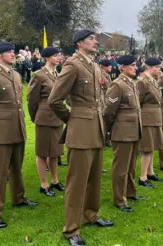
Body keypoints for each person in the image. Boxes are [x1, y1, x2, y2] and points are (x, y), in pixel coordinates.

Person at [47, 30, 113, 246]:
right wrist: (73, 119)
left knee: (95, 177)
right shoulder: (72, 65)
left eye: (94, 39)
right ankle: (71, 229)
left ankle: (91, 214)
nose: (96, 42)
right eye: (92, 39)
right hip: (81, 130)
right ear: (79, 43)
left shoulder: (93, 65)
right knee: (77, 181)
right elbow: (55, 100)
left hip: (96, 128)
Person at [0, 42, 38, 229]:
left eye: (13, 51)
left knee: (16, 168)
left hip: (17, 128)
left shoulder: (16, 74)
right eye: (8, 52)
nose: (13, 54)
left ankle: (18, 197)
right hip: (0, 132)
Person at [103, 55, 143, 213]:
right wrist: (110, 129)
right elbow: (108, 111)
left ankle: (130, 192)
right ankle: (119, 199)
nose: (135, 67)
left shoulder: (131, 83)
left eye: (135, 65)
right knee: (121, 167)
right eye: (132, 65)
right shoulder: (117, 85)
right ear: (123, 68)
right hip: (122, 132)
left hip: (134, 131)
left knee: (132, 165)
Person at [27, 47, 65, 198]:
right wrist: (35, 116)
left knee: (55, 152)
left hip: (57, 118)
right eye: (56, 56)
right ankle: (44, 184)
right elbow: (32, 99)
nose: (59, 58)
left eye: (59, 55)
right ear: (48, 58)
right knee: (42, 152)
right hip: (44, 117)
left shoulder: (58, 74)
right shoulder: (39, 75)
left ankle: (55, 181)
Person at [136, 57, 163, 188]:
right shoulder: (142, 82)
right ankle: (142, 177)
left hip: (154, 116)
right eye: (158, 67)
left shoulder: (153, 81)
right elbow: (138, 102)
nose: (160, 70)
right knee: (147, 148)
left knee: (153, 146)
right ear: (151, 68)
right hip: (147, 118)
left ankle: (150, 172)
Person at [99, 59, 113, 151]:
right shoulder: (100, 76)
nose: (111, 67)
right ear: (104, 67)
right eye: (109, 66)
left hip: (108, 100)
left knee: (108, 121)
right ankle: (102, 141)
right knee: (103, 122)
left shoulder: (107, 75)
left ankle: (107, 139)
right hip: (103, 100)